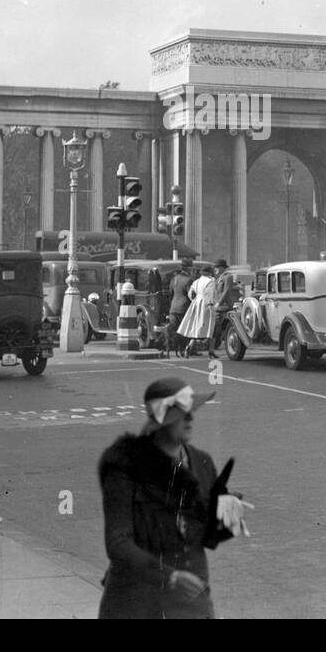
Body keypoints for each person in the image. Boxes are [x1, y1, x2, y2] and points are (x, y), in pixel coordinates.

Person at [97, 376, 251, 619]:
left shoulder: (202, 463)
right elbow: (118, 544)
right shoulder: (125, 468)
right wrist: (169, 576)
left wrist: (227, 516)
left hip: (190, 604)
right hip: (137, 603)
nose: (191, 419)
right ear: (160, 423)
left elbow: (205, 536)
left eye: (191, 411)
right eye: (182, 414)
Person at [178, 265, 217, 357]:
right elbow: (210, 294)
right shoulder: (211, 281)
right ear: (210, 273)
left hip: (196, 304)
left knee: (197, 328)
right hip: (207, 305)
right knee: (210, 328)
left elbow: (190, 293)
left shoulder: (197, 281)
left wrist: (194, 300)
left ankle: (189, 347)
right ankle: (211, 351)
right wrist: (211, 304)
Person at [209, 260, 238, 359]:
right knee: (214, 329)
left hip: (225, 307)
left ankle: (227, 347)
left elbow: (226, 291)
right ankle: (211, 350)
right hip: (217, 307)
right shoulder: (218, 278)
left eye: (217, 267)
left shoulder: (228, 277)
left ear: (222, 268)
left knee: (221, 328)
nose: (215, 269)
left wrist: (219, 303)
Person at [166, 261, 193, 356]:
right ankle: (184, 350)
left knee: (174, 330)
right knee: (184, 330)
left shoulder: (174, 279)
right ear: (189, 268)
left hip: (173, 307)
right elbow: (190, 294)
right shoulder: (189, 280)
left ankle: (170, 351)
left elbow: (170, 293)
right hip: (184, 307)